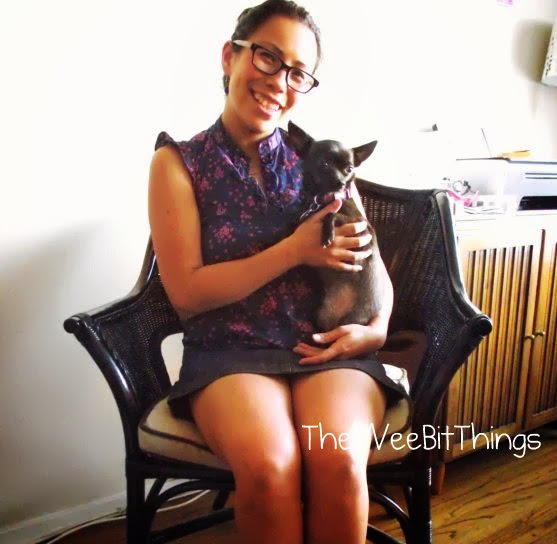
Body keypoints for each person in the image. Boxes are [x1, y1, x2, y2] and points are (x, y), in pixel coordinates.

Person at [148, 1, 406, 542]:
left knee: (336, 460)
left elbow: (370, 261)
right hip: (229, 351)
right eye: (267, 57)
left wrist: (377, 327)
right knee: (271, 468)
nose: (278, 81)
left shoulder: (323, 160)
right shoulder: (178, 163)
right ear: (231, 56)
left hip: (328, 348)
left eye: (298, 73)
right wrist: (293, 251)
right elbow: (188, 295)